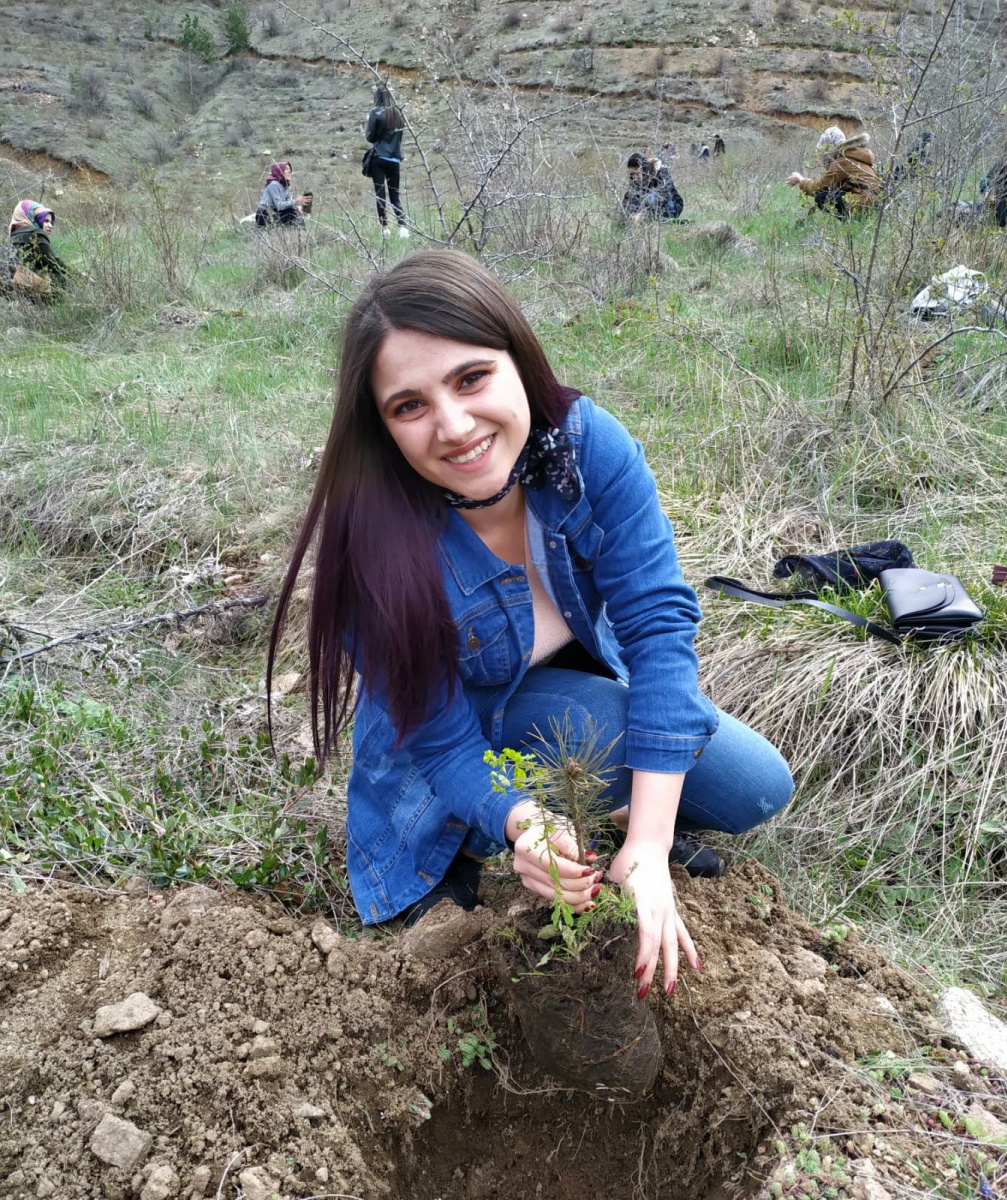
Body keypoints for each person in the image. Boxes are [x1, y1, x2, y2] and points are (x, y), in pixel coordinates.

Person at [268, 249, 793, 999]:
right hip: (458, 741)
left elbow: (656, 621)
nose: (453, 427)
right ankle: (526, 834)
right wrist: (520, 821)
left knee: (755, 787)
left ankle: (615, 831)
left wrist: (646, 844)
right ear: (381, 427)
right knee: (601, 740)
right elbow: (442, 741)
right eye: (408, 406)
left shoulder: (585, 448)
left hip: (563, 692)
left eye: (470, 377)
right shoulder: (373, 545)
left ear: (517, 357)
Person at [787, 130, 881, 217]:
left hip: (865, 204)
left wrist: (800, 179)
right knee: (831, 194)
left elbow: (817, 188)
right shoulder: (851, 158)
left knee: (822, 198)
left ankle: (850, 227)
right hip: (875, 204)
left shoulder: (841, 162)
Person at [365, 85, 409, 239]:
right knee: (395, 195)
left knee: (380, 194)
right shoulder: (398, 113)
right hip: (395, 158)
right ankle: (403, 226)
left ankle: (385, 228)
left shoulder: (376, 112)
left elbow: (370, 137)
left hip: (379, 157)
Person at [7, 200, 69, 295]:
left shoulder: (12, 237)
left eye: (51, 222)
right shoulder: (35, 233)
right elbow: (55, 263)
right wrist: (81, 277)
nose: (50, 226)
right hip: (31, 289)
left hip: (11, 290)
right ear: (33, 218)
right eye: (45, 221)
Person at [621, 153, 684, 222]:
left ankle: (643, 218)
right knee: (632, 200)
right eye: (632, 174)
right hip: (650, 209)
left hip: (672, 206)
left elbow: (665, 195)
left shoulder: (661, 171)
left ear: (643, 168)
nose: (635, 177)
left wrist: (643, 212)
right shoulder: (634, 178)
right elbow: (630, 195)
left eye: (637, 173)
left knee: (651, 197)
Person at [255, 161, 304, 228]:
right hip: (265, 215)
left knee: (294, 212)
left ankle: (299, 234)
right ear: (279, 171)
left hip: (276, 213)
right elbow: (279, 205)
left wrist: (297, 207)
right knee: (291, 213)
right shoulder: (273, 185)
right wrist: (295, 202)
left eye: (290, 169)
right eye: (286, 169)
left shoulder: (285, 186)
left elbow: (287, 203)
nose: (289, 171)